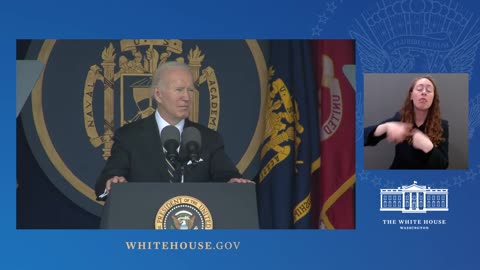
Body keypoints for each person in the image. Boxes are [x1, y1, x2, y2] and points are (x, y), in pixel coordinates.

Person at [95, 61, 254, 199]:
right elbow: (107, 180)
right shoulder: (129, 137)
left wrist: (233, 183)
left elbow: (227, 176)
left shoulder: (209, 138)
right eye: (179, 90)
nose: (187, 97)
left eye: (190, 90)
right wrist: (113, 183)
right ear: (158, 94)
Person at [364, 75, 449, 169]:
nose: (424, 92)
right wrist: (385, 127)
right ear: (411, 95)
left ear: (433, 98)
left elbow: (443, 165)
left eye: (429, 90)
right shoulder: (401, 118)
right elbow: (362, 137)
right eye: (419, 89)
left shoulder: (442, 125)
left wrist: (429, 147)